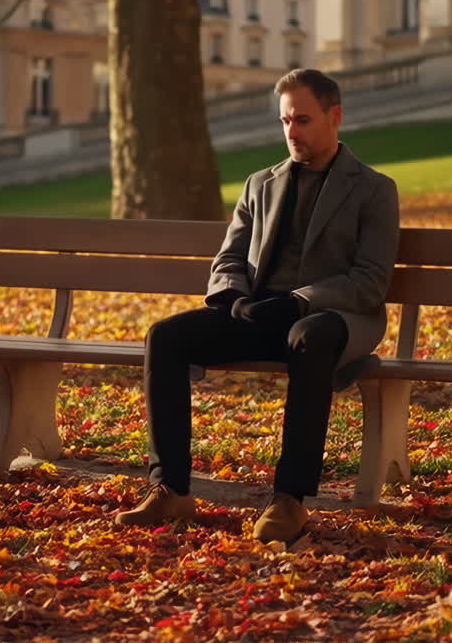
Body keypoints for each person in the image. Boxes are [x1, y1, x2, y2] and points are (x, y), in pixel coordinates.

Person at [114, 68, 400, 544]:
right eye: (285, 121)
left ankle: (290, 499)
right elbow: (229, 256)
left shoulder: (373, 189)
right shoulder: (259, 184)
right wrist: (232, 297)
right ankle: (171, 489)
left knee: (308, 337)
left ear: (335, 117)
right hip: (260, 313)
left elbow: (369, 281)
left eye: (303, 120)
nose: (292, 132)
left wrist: (298, 302)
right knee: (165, 337)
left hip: (336, 318)